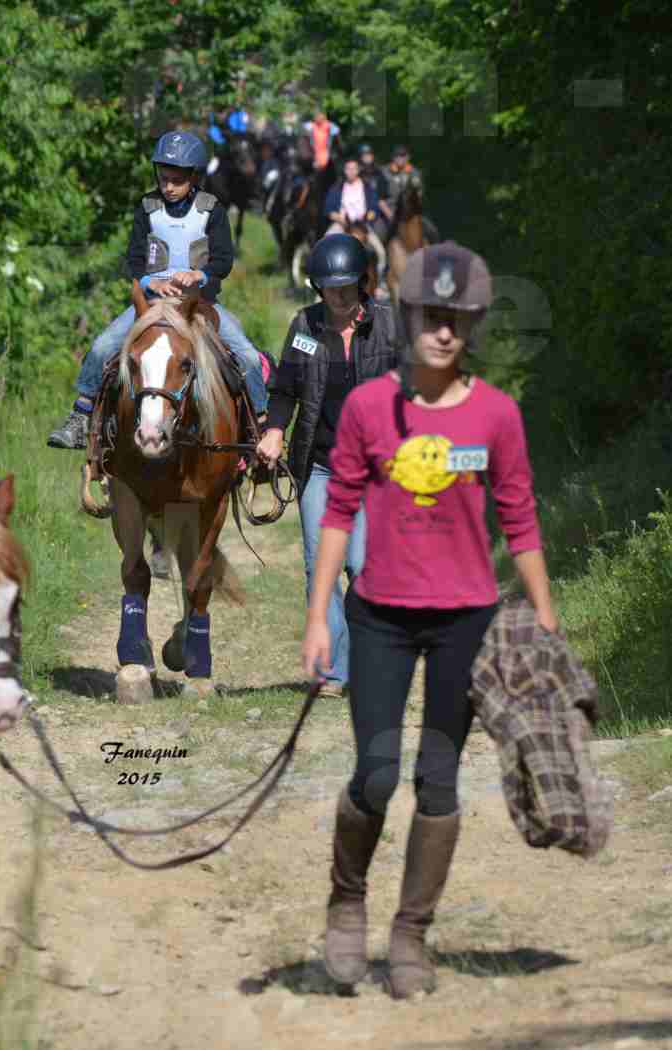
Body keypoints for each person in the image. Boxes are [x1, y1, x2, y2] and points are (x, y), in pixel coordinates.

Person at [301, 242, 557, 999]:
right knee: (377, 774)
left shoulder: (497, 415)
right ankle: (347, 902)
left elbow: (519, 517)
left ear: (470, 327)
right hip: (378, 616)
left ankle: (411, 932)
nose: (442, 332)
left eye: (457, 320)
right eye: (430, 318)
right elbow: (339, 511)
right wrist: (319, 616)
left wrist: (542, 612)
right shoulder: (367, 408)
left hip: (464, 623)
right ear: (407, 317)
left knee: (437, 780)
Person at [48, 131, 268, 449]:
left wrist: (199, 275)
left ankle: (258, 426)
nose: (168, 187)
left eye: (176, 181)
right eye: (163, 179)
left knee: (246, 356)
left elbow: (223, 260)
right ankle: (80, 417)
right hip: (151, 301)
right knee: (101, 346)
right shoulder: (147, 207)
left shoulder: (212, 209)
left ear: (193, 177)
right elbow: (134, 259)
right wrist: (153, 282)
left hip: (198, 303)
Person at [256, 233, 400, 697]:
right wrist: (276, 429)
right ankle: (336, 671)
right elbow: (284, 389)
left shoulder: (390, 327)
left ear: (362, 283)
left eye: (345, 287)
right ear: (317, 288)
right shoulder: (305, 326)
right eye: (328, 288)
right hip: (319, 466)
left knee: (362, 565)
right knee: (321, 567)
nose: (337, 297)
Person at [323, 157, 386, 272]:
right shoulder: (337, 187)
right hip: (342, 223)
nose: (351, 171)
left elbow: (374, 208)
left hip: (362, 225)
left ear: (358, 170)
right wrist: (339, 218)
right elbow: (328, 209)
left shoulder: (367, 187)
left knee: (380, 251)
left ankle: (381, 279)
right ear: (344, 170)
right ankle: (324, 277)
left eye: (353, 169)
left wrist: (369, 216)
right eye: (348, 168)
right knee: (326, 241)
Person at [383, 145, 440, 245]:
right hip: (391, 212)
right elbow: (380, 197)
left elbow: (419, 193)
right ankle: (383, 259)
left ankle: (435, 256)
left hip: (411, 212)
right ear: (393, 157)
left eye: (403, 156)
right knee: (384, 236)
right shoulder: (385, 172)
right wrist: (389, 214)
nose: (400, 158)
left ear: (408, 157)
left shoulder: (414, 173)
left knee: (432, 231)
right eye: (397, 156)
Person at [356, 143, 391, 240]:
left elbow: (382, 199)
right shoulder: (354, 174)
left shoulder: (379, 174)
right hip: (354, 214)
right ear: (360, 157)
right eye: (364, 154)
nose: (367, 157)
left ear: (373, 156)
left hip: (375, 215)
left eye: (369, 154)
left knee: (382, 233)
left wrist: (390, 215)